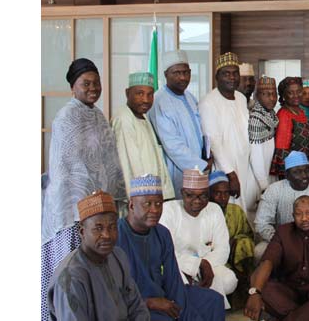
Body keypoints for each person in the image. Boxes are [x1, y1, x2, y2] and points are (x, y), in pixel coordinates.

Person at [41, 58, 126, 321]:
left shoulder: (98, 115)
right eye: (86, 83)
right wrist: (86, 210)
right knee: (72, 277)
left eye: (96, 83)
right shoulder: (67, 116)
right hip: (73, 214)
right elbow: (68, 169)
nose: (93, 88)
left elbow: (109, 162)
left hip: (97, 213)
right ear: (73, 86)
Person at [117, 175, 226, 321]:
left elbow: (173, 279)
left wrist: (182, 311)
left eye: (158, 204)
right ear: (131, 205)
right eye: (147, 204)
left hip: (162, 295)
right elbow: (111, 292)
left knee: (213, 300)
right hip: (133, 305)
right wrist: (149, 302)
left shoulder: (162, 233)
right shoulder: (116, 235)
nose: (155, 210)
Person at [244, 196, 309, 321]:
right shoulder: (283, 232)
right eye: (299, 214)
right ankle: (307, 315)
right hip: (290, 291)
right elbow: (268, 261)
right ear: (293, 216)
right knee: (261, 286)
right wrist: (255, 292)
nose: (304, 218)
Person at [48, 191, 149, 321]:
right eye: (98, 228)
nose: (107, 235)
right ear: (82, 232)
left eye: (112, 227)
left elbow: (137, 307)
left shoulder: (118, 256)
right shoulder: (70, 278)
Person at [160, 169, 237, 309]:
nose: (197, 201)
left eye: (203, 196)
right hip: (177, 267)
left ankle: (206, 308)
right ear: (182, 192)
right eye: (190, 195)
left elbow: (223, 249)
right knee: (179, 283)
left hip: (208, 265)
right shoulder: (169, 210)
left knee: (229, 280)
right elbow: (166, 253)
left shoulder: (214, 210)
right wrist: (194, 265)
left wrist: (204, 265)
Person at [199, 52, 257, 223]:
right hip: (225, 169)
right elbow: (214, 143)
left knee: (244, 212)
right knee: (228, 213)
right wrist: (231, 175)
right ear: (217, 76)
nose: (232, 77)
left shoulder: (240, 98)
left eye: (235, 73)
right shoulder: (208, 103)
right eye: (226, 73)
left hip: (244, 165)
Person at [149, 50, 212, 198]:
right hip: (177, 170)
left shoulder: (190, 97)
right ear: (166, 75)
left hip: (199, 167)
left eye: (186, 72)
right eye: (176, 73)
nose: (182, 77)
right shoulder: (159, 101)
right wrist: (200, 165)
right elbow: (172, 145)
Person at [255, 151, 309, 259]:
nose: (304, 176)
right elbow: (261, 223)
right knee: (259, 251)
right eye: (297, 172)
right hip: (281, 241)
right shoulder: (274, 190)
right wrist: (283, 241)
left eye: (306, 170)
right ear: (287, 175)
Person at [111, 71, 175, 200]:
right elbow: (129, 164)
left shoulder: (143, 117)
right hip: (138, 198)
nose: (146, 100)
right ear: (127, 93)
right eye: (140, 93)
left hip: (150, 195)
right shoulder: (124, 118)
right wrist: (142, 198)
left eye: (150, 94)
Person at [209, 171, 256, 280]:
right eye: (218, 193)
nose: (223, 197)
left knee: (245, 243)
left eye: (226, 193)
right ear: (209, 193)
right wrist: (222, 246)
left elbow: (248, 235)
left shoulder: (236, 210)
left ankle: (249, 280)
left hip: (236, 252)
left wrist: (233, 242)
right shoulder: (204, 212)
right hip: (213, 255)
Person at [269, 77, 309, 178]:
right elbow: (282, 151)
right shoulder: (284, 114)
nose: (296, 95)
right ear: (284, 95)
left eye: (299, 91)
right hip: (294, 172)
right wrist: (293, 175)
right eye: (290, 92)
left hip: (303, 168)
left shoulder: (300, 111)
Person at [249, 76, 279, 192]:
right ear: (257, 96)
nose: (272, 98)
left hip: (268, 175)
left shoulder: (271, 115)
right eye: (266, 94)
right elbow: (255, 157)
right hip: (257, 181)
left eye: (274, 94)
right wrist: (264, 185)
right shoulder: (256, 119)